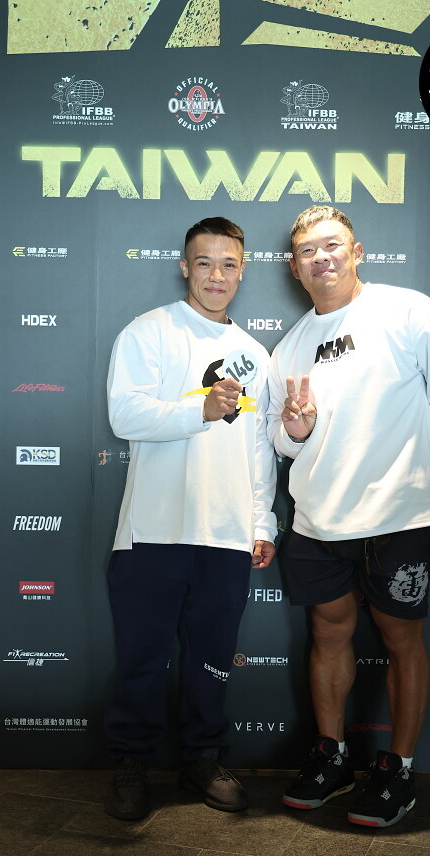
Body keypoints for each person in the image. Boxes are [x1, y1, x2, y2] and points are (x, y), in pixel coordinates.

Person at [267, 206, 430, 828]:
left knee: (401, 640)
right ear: (294, 268)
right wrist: (297, 430)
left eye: (332, 244)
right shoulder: (289, 346)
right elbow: (282, 442)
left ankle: (399, 768)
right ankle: (332, 755)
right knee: (328, 636)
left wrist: (406, 458)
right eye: (307, 251)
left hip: (398, 518)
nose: (321, 257)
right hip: (317, 521)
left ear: (357, 251)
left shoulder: (408, 312)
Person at [105, 217, 277, 820]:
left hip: (226, 535)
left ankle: (203, 757)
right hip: (152, 531)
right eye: (204, 263)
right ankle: (130, 762)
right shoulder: (148, 331)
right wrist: (198, 410)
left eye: (228, 264)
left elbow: (258, 449)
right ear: (185, 267)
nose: (216, 276)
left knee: (212, 659)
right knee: (142, 658)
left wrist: (262, 523)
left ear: (242, 270)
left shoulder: (255, 354)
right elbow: (124, 415)